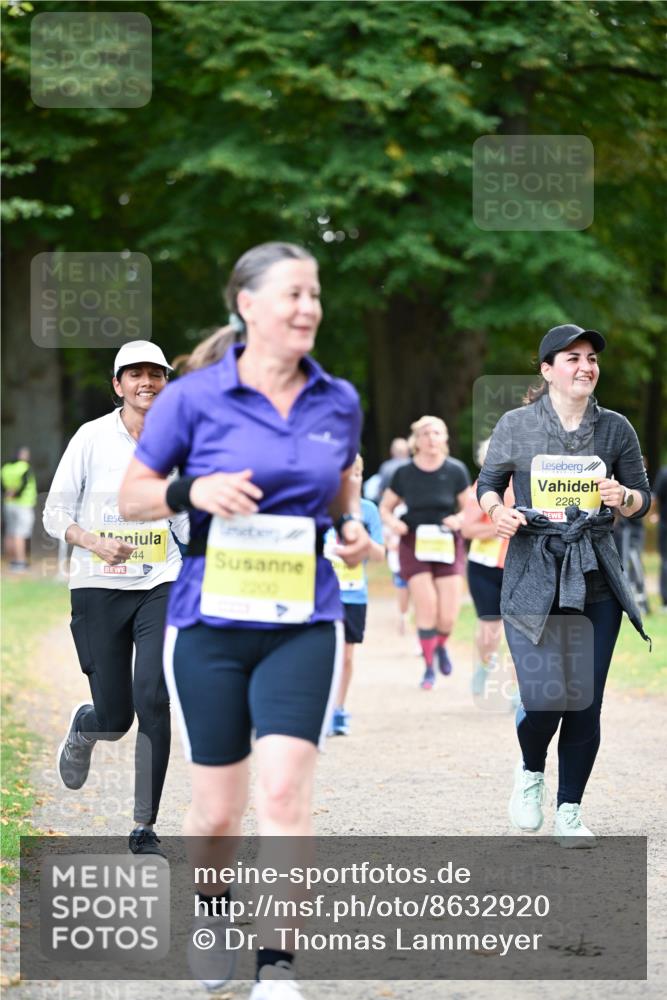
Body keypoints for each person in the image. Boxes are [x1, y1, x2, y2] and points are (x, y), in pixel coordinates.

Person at [118, 242, 369, 999]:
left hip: (303, 618)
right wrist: (193, 492)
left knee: (286, 795)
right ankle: (211, 908)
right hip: (209, 627)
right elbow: (134, 495)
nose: (308, 309)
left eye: (315, 294)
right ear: (247, 304)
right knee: (217, 812)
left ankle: (278, 968)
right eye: (292, 294)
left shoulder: (340, 399)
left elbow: (337, 496)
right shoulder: (193, 399)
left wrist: (351, 528)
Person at [477, 324, 651, 845]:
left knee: (586, 700)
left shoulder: (616, 428)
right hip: (535, 572)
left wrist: (623, 497)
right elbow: (488, 484)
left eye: (592, 357)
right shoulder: (517, 425)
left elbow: (643, 498)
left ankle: (570, 809)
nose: (586, 366)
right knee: (547, 696)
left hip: (596, 576)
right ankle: (531, 771)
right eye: (572, 357)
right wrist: (497, 513)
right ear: (547, 370)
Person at [43, 340, 185, 858]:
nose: (147, 382)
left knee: (153, 696)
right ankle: (87, 728)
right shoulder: (90, 437)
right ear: (118, 385)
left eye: (156, 373)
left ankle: (144, 826)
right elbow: (54, 515)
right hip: (97, 587)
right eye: (136, 374)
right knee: (116, 716)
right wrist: (95, 542)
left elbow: (189, 515)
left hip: (161, 581)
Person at [380, 416, 471, 690]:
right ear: (416, 441)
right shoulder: (404, 472)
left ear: (445, 439)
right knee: (427, 605)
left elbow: (470, 507)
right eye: (425, 434)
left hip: (446, 543)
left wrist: (459, 519)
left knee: (448, 615)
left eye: (437, 433)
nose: (431, 438)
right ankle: (429, 666)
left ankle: (441, 645)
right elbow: (385, 507)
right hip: (414, 543)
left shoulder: (455, 470)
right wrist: (393, 522)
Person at [325, 454, 385, 736]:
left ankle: (338, 708)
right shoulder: (319, 506)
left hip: (352, 594)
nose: (353, 479)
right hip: (321, 592)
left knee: (346, 656)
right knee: (321, 653)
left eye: (357, 474)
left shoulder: (368, 510)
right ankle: (320, 707)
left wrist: (362, 542)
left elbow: (379, 554)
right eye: (346, 474)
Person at [461, 439, 516, 704]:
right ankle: (484, 666)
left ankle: (519, 690)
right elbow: (468, 530)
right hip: (485, 566)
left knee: (522, 630)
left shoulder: (527, 485)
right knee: (490, 630)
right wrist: (500, 525)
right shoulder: (479, 490)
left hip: (519, 567)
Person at [1, 446, 37, 571]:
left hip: (8, 503)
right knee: (20, 533)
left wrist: (7, 493)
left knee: (10, 532)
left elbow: (2, 486)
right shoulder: (24, 467)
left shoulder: (6, 468)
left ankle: (11, 560)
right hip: (23, 504)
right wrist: (16, 494)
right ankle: (20, 561)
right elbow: (24, 484)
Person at [652, 464, 667, 611]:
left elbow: (655, 497)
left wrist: (655, 515)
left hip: (665, 524)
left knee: (665, 561)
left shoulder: (664, 472)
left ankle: (666, 601)